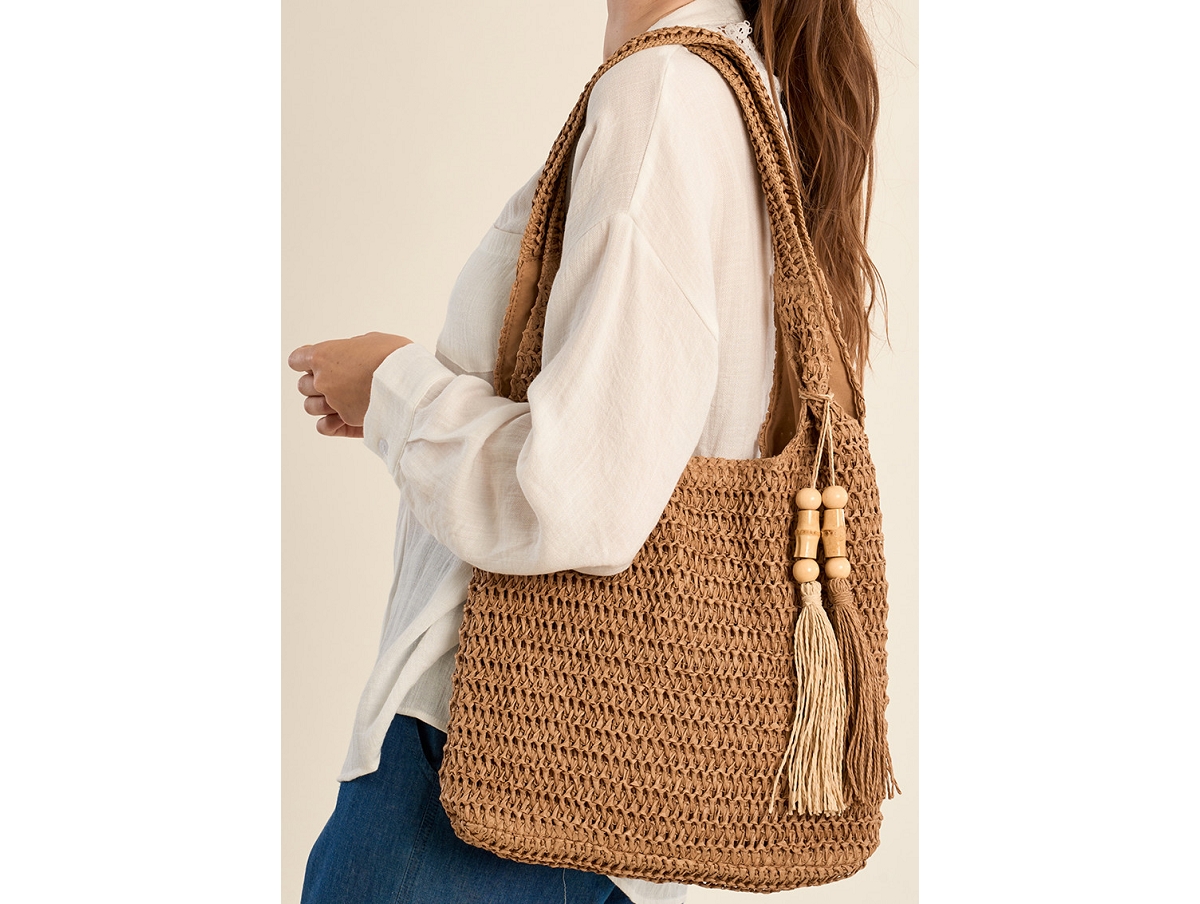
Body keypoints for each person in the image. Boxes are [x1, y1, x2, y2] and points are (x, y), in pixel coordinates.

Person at [288, 1, 884, 902]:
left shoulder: (661, 94)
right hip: (601, 799)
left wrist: (394, 391)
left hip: (479, 771)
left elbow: (577, 497)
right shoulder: (742, 89)